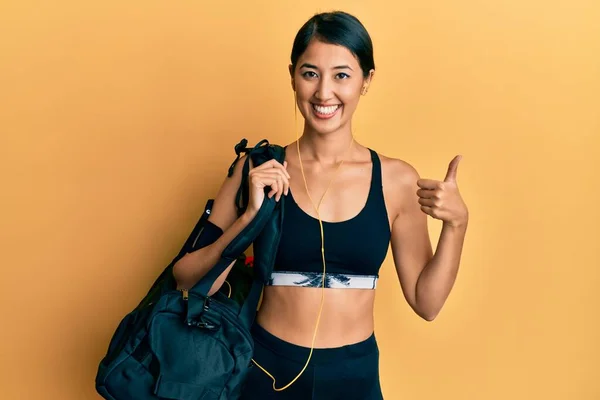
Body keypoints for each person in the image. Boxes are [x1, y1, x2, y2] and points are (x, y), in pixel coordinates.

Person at [173, 10, 468, 400]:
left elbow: (427, 303)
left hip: (355, 376)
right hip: (265, 370)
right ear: (293, 75)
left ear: (366, 80)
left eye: (342, 75)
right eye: (310, 73)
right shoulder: (257, 168)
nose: (324, 92)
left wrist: (457, 224)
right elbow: (185, 280)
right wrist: (249, 218)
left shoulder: (396, 180)